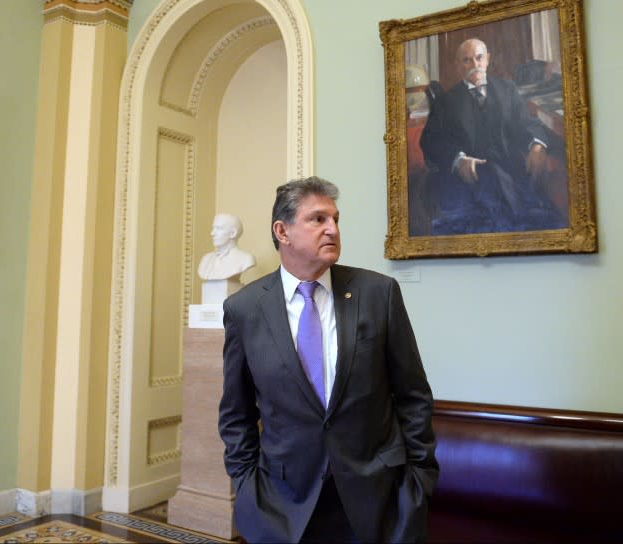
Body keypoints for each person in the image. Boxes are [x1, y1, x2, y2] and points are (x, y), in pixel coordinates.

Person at [218, 177, 438, 543]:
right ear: (282, 231)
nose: (332, 229)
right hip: (284, 505)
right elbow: (236, 412)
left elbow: (413, 394)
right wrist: (246, 486)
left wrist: (418, 480)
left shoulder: (377, 294)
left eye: (335, 219)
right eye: (318, 219)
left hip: (377, 498)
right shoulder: (244, 309)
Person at [419, 38, 566, 235]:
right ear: (458, 67)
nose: (475, 65)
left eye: (479, 58)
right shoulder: (447, 101)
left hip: (510, 172)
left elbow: (527, 124)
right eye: (467, 60)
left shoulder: (508, 90)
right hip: (469, 179)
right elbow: (430, 141)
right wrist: (458, 159)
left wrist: (537, 145)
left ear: (487, 59)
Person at [197, 213, 256, 281]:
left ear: (233, 233)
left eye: (218, 228)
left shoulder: (247, 259)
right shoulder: (206, 259)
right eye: (213, 228)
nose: (212, 233)